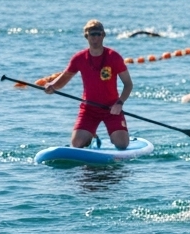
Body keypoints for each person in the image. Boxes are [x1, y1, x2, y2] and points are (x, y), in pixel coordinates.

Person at [44, 19, 133, 149]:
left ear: (103, 35)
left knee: (122, 145)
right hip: (89, 108)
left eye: (98, 34)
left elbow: (128, 84)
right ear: (86, 36)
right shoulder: (79, 58)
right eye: (92, 34)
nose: (95, 37)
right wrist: (51, 86)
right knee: (76, 145)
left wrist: (119, 103)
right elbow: (63, 79)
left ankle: (99, 133)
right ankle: (90, 135)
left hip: (111, 108)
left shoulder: (114, 57)